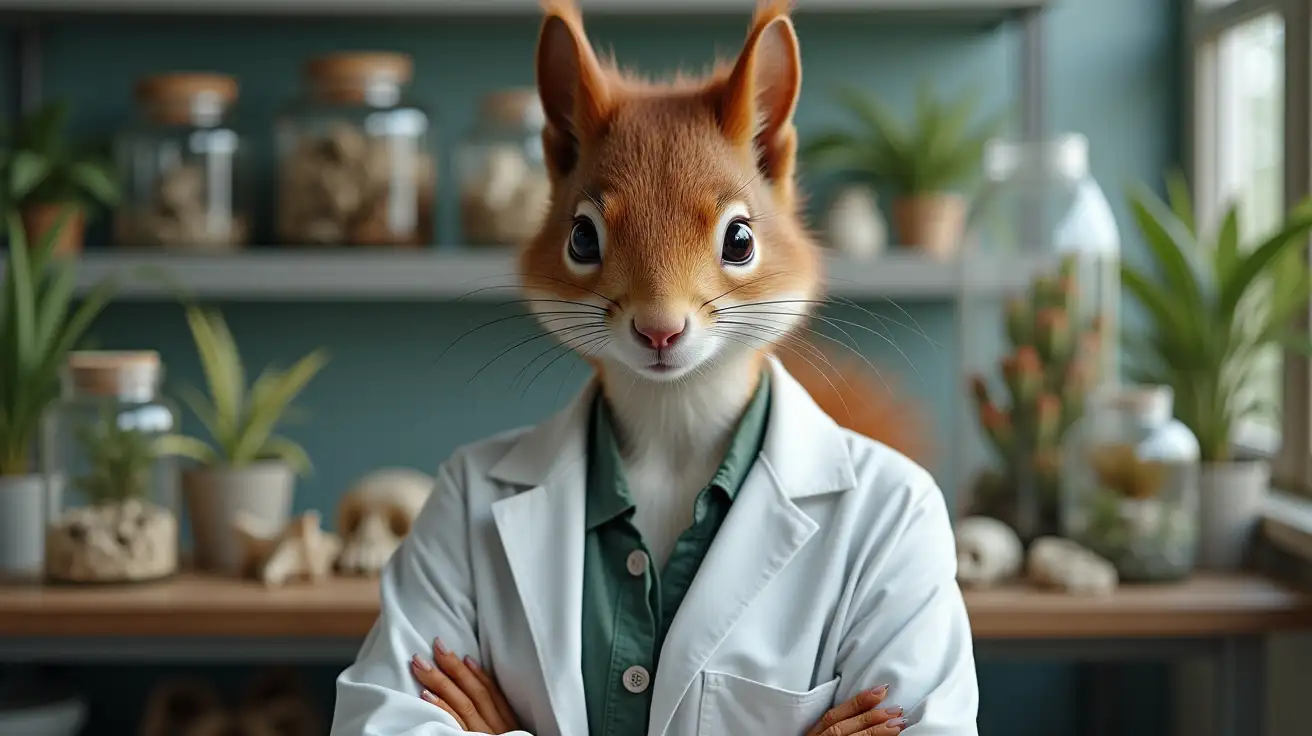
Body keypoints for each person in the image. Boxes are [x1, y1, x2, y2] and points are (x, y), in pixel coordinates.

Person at [331, 2, 979, 734]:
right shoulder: (470, 500)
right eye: (592, 240)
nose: (661, 317)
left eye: (734, 245)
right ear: (562, 156)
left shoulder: (892, 517)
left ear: (770, 156)